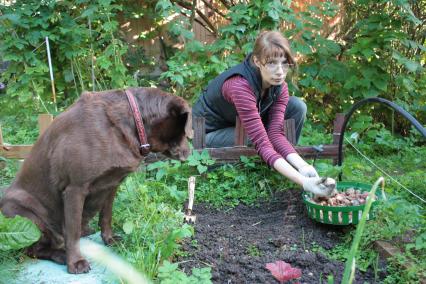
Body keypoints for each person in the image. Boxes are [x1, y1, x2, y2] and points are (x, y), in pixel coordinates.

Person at [192, 30, 335, 197]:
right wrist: (304, 182)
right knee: (255, 137)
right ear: (257, 61)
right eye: (272, 63)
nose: (280, 71)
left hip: (239, 126)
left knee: (297, 106)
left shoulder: (279, 86)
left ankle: (279, 166)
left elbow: (275, 133)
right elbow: (262, 140)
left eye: (285, 63)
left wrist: (303, 166)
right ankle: (244, 168)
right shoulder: (239, 86)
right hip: (209, 135)